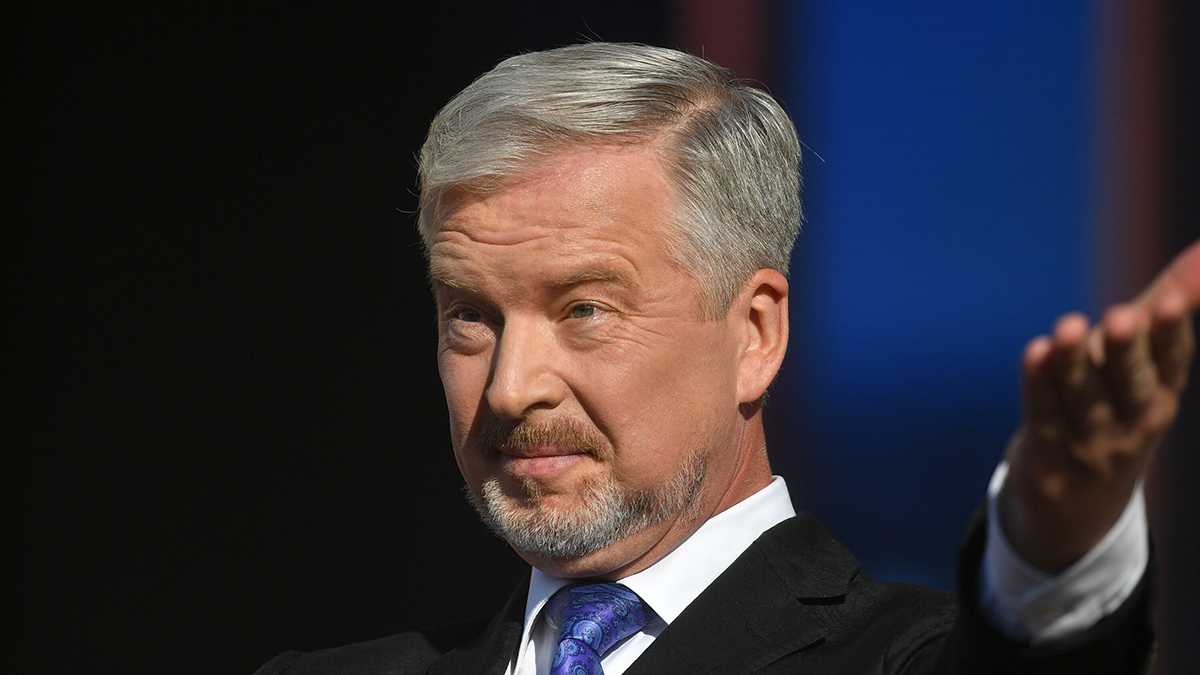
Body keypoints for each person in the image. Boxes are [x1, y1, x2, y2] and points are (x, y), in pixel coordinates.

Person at [255, 43, 1198, 674]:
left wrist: (1055, 541)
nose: (511, 387)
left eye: (584, 308)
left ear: (755, 335)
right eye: (470, 316)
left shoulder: (902, 656)